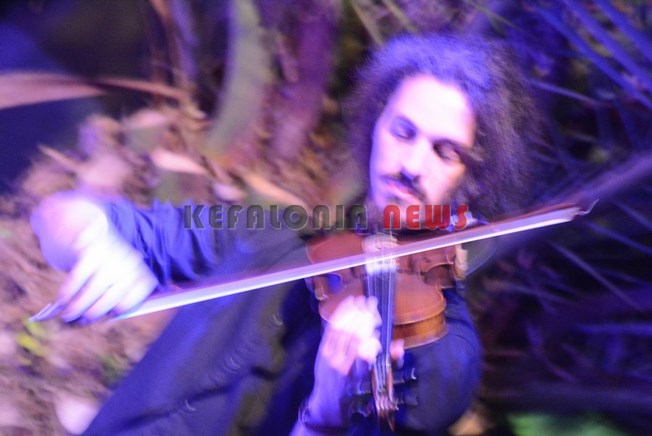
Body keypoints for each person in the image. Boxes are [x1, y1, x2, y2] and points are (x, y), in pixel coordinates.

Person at [30, 33, 539, 434]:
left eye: (445, 152)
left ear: (473, 180)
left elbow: (426, 402)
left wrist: (326, 412)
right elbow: (62, 216)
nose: (411, 165)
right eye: (402, 132)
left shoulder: (444, 350)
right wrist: (93, 241)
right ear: (374, 127)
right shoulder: (273, 234)